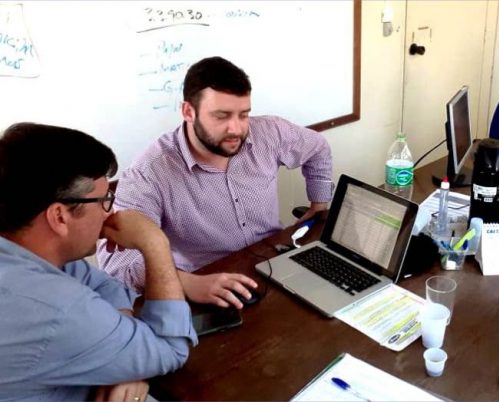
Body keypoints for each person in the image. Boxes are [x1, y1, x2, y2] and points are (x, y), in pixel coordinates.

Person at [97, 56, 334, 309]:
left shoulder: (269, 132)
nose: (236, 129)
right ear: (188, 112)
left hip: (275, 262)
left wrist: (318, 204)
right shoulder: (149, 173)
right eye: (222, 116)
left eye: (243, 115)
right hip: (205, 284)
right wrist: (186, 283)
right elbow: (117, 264)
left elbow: (318, 148)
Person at [0, 123, 196, 401]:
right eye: (104, 201)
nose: (109, 213)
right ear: (59, 217)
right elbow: (170, 349)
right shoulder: (57, 308)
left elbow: (105, 284)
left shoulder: (28, 249)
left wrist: (123, 353)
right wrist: (155, 244)